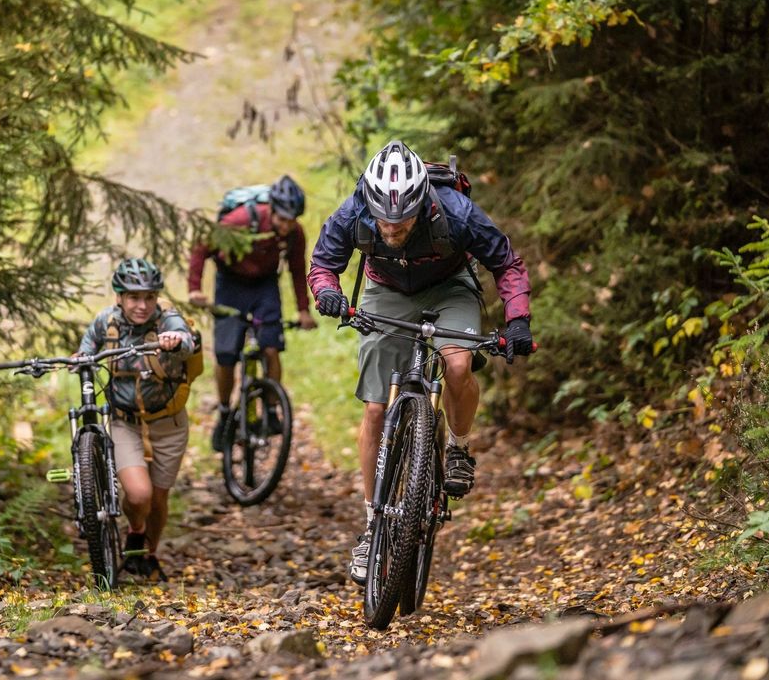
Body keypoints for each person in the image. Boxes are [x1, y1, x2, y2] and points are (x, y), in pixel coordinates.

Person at [307, 141, 535, 585]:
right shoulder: (354, 211)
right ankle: (374, 527)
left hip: (450, 287)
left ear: (423, 203)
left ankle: (459, 448)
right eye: (384, 220)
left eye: (404, 220)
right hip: (385, 291)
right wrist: (328, 293)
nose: (392, 229)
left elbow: (506, 263)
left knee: (457, 364)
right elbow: (323, 263)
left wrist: (518, 320)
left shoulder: (456, 212)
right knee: (375, 409)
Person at [76, 257, 196, 581]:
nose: (142, 305)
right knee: (139, 494)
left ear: (156, 297)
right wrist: (79, 358)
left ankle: (149, 556)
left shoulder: (168, 320)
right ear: (119, 297)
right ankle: (136, 530)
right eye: (133, 297)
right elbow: (86, 347)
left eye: (148, 297)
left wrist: (175, 342)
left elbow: (187, 342)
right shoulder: (106, 322)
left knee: (158, 498)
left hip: (168, 423)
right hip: (124, 422)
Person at [188, 175, 317, 450]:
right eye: (282, 218)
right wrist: (195, 288)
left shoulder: (294, 234)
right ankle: (224, 413)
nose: (286, 225)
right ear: (271, 209)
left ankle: (271, 408)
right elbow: (202, 246)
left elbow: (296, 270)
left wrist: (304, 310)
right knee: (225, 355)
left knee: (271, 348)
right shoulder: (240, 220)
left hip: (265, 287)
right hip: (230, 284)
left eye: (292, 219)